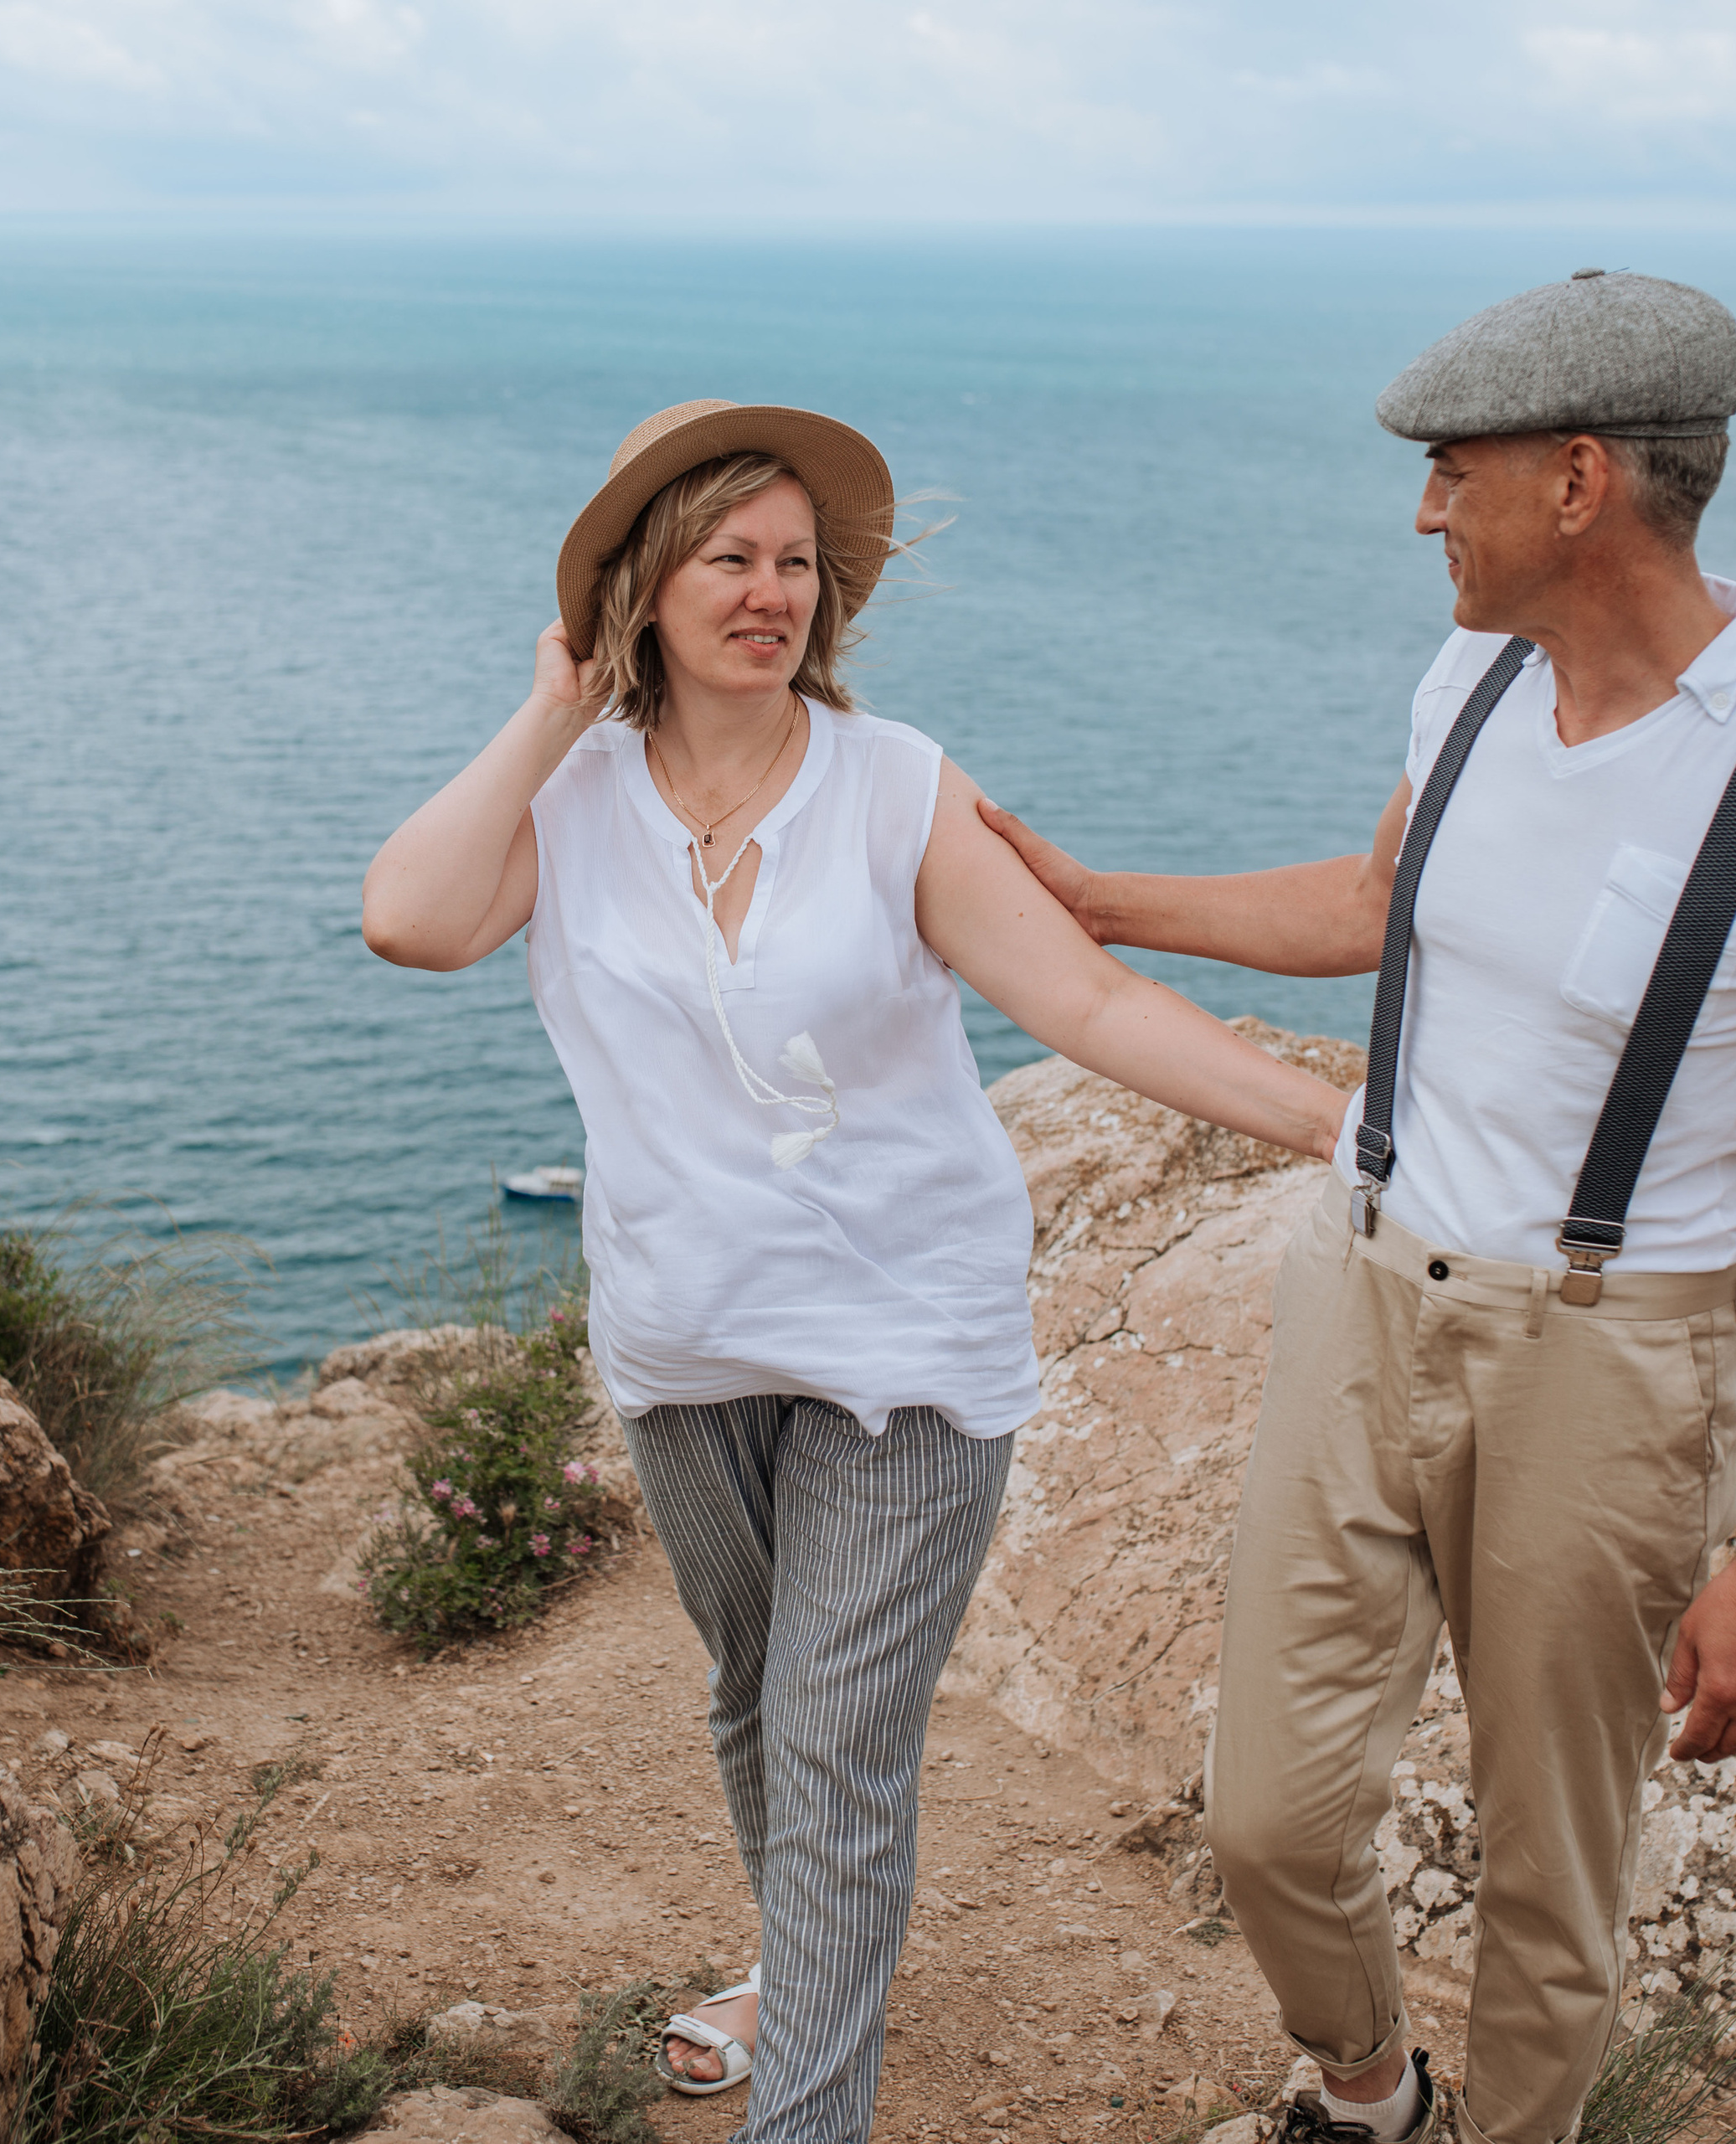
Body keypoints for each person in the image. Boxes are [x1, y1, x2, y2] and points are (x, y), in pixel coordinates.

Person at [363, 397, 1346, 2144]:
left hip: (905, 1334)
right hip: (682, 1334)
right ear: (642, 590)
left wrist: (1337, 1127)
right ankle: (817, 1950)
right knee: (757, 1696)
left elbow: (1087, 1001)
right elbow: (412, 919)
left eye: (796, 564)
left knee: (830, 1736)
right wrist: (544, 711)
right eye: (728, 558)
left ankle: (802, 2103)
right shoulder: (573, 800)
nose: (770, 593)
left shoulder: (893, 782)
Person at [978, 271, 1736, 2144]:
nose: (1420, 513)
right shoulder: (1470, 674)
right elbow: (1373, 903)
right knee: (1267, 1810)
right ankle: (1369, 2084)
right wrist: (1099, 901)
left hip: (1604, 1354)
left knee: (1551, 1864)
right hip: (1363, 1277)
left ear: (1577, 483)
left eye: (1444, 473)